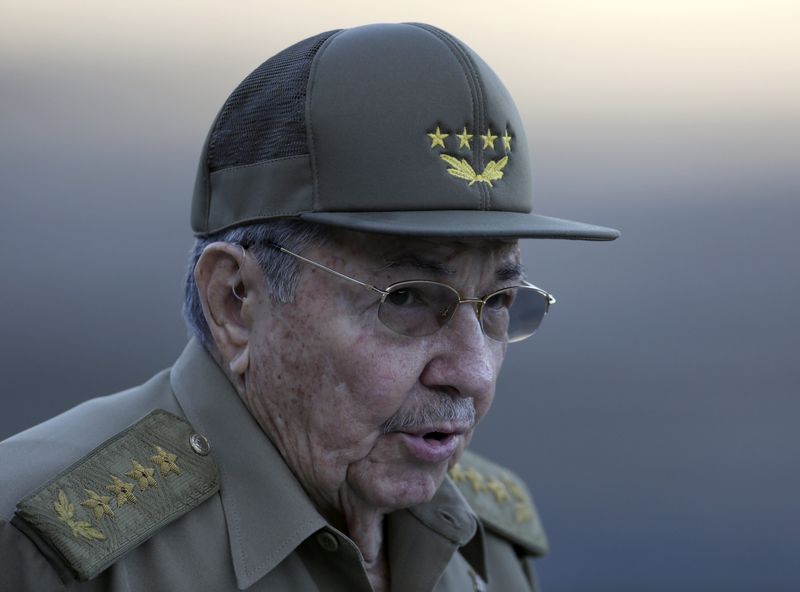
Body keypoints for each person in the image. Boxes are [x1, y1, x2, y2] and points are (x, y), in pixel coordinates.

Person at [0, 23, 618, 592]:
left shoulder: (488, 545)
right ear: (236, 301)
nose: (474, 373)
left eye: (498, 302)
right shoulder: (42, 545)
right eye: (405, 300)